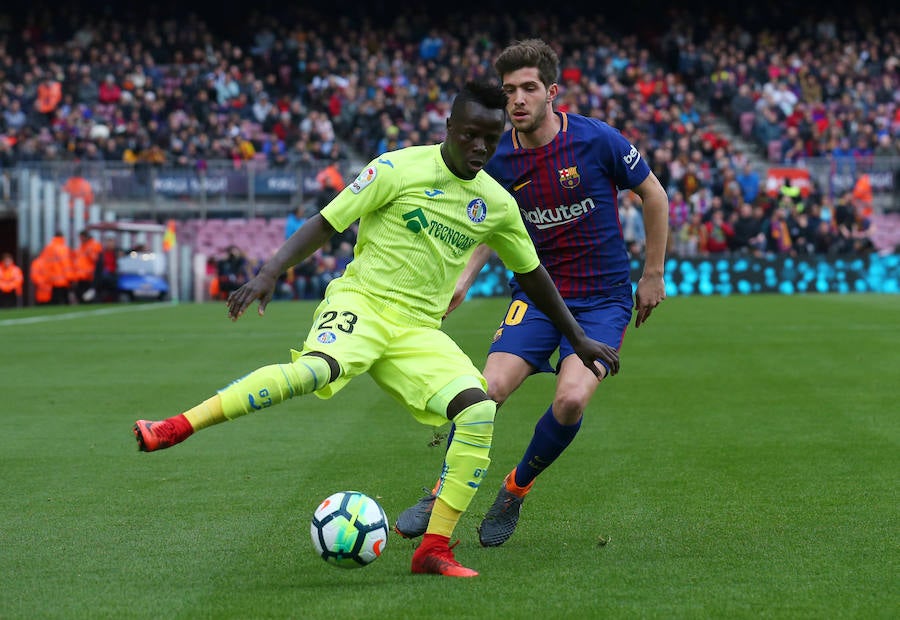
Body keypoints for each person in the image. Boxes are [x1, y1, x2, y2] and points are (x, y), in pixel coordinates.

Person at [131, 80, 619, 578]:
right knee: (312, 373)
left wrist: (577, 337)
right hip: (361, 306)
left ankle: (434, 549)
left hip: (418, 332)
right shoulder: (396, 167)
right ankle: (175, 428)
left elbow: (533, 275)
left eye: (490, 140)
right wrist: (270, 271)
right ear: (450, 128)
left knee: (477, 409)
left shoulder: (496, 203)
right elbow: (328, 222)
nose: (479, 148)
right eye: (470, 135)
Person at [394, 39, 668, 548]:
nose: (516, 100)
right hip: (538, 299)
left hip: (603, 301)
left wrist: (652, 274)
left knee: (569, 400)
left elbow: (654, 193)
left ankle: (515, 488)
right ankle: (440, 493)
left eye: (528, 89)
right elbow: (488, 224)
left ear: (551, 93)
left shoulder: (596, 140)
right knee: (484, 392)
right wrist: (464, 278)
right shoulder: (496, 159)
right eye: (508, 91)